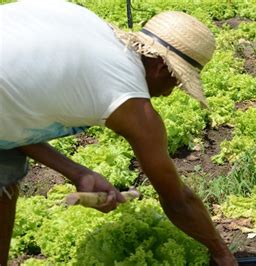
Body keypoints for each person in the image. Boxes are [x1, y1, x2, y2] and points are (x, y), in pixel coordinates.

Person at [0, 1, 237, 265]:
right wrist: (221, 252)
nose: (169, 93)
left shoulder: (91, 27)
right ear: (160, 68)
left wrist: (79, 173)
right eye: (176, 82)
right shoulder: (132, 104)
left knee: (6, 171)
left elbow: (11, 117)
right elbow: (178, 200)